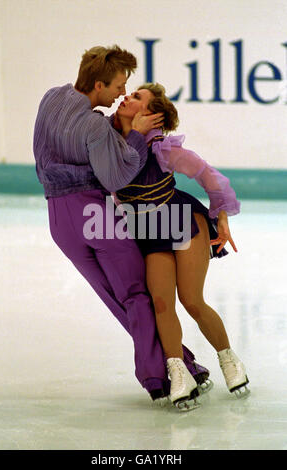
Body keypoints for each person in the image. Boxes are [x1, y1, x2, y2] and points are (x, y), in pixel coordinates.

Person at [33, 45, 210, 407]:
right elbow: (115, 178)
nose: (121, 93)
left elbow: (42, 156)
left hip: (58, 219)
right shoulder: (95, 124)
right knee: (135, 294)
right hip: (93, 215)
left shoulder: (51, 97)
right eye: (117, 86)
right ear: (98, 84)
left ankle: (183, 365)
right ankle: (161, 377)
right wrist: (135, 137)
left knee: (117, 299)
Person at [113, 82, 250, 406]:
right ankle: (178, 371)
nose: (125, 97)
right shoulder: (115, 144)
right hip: (148, 229)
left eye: (135, 98)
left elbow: (208, 175)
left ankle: (229, 359)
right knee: (161, 304)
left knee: (191, 299)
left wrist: (222, 216)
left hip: (182, 220)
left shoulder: (162, 149)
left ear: (151, 116)